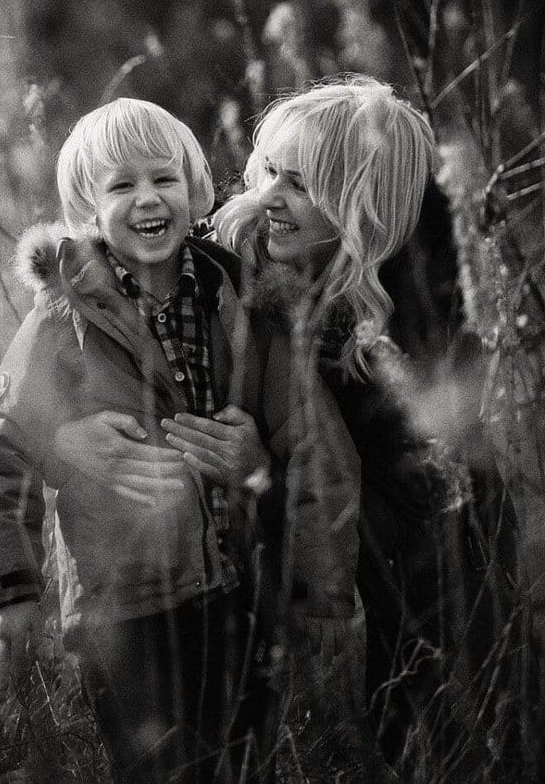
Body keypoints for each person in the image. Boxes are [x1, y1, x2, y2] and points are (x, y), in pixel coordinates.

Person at [210, 76, 522, 778]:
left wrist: (265, 473)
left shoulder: (393, 333)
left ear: (362, 205)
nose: (270, 197)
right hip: (338, 573)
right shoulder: (264, 278)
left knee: (424, 742)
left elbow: (396, 511)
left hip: (424, 581)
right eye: (267, 173)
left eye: (302, 183)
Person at [0, 98, 279, 783]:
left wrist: (259, 459)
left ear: (193, 187)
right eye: (121, 185)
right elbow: (4, 438)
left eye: (163, 178)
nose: (148, 198)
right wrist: (14, 590)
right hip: (127, 605)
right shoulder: (66, 312)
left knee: (240, 761)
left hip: (236, 588)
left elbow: (284, 419)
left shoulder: (229, 287)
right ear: (88, 206)